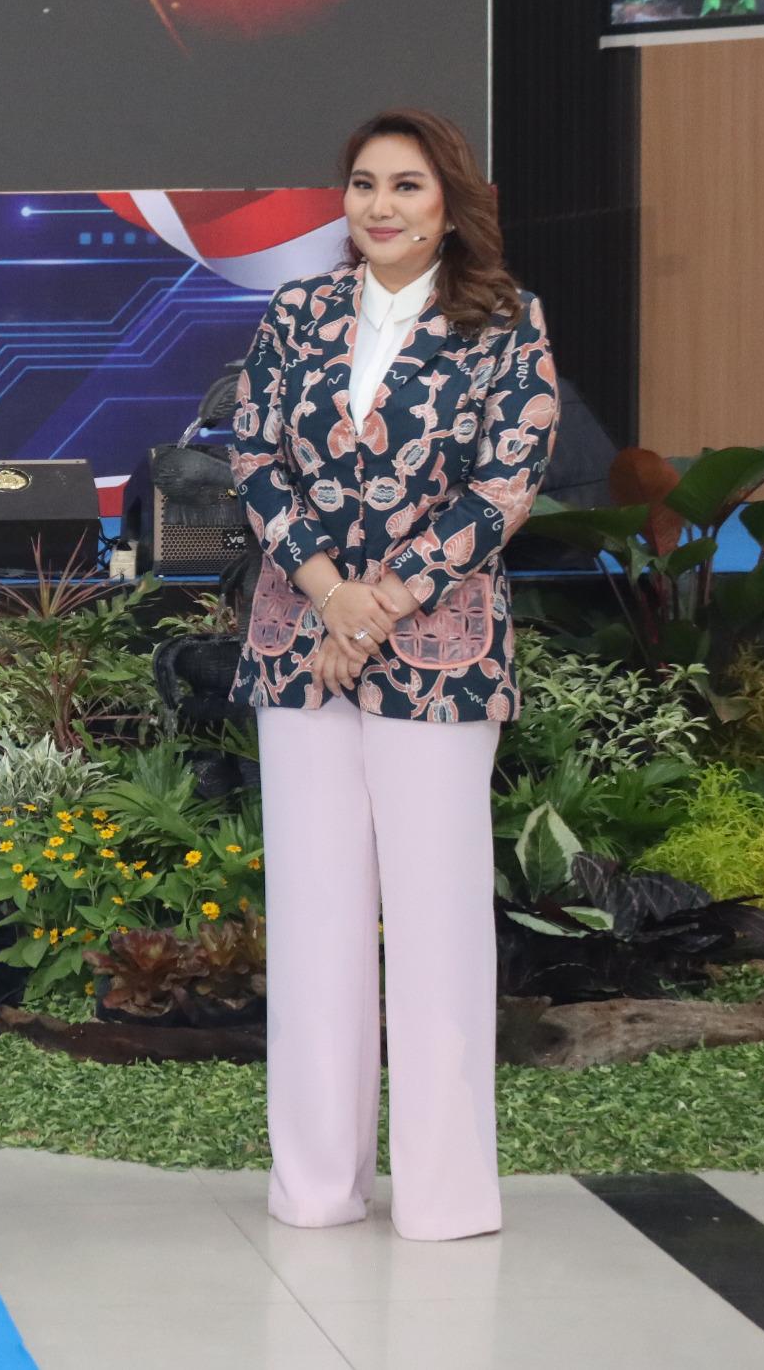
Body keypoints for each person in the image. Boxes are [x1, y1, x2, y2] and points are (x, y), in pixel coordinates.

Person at [228, 108, 558, 1241]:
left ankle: (444, 1198)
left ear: (449, 203)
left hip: (439, 653)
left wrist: (382, 601)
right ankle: (316, 1185)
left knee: (436, 925)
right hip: (300, 643)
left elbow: (504, 484)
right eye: (364, 183)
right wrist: (330, 595)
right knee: (314, 922)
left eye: (407, 185)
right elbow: (252, 457)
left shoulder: (506, 322)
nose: (381, 205)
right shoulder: (296, 311)